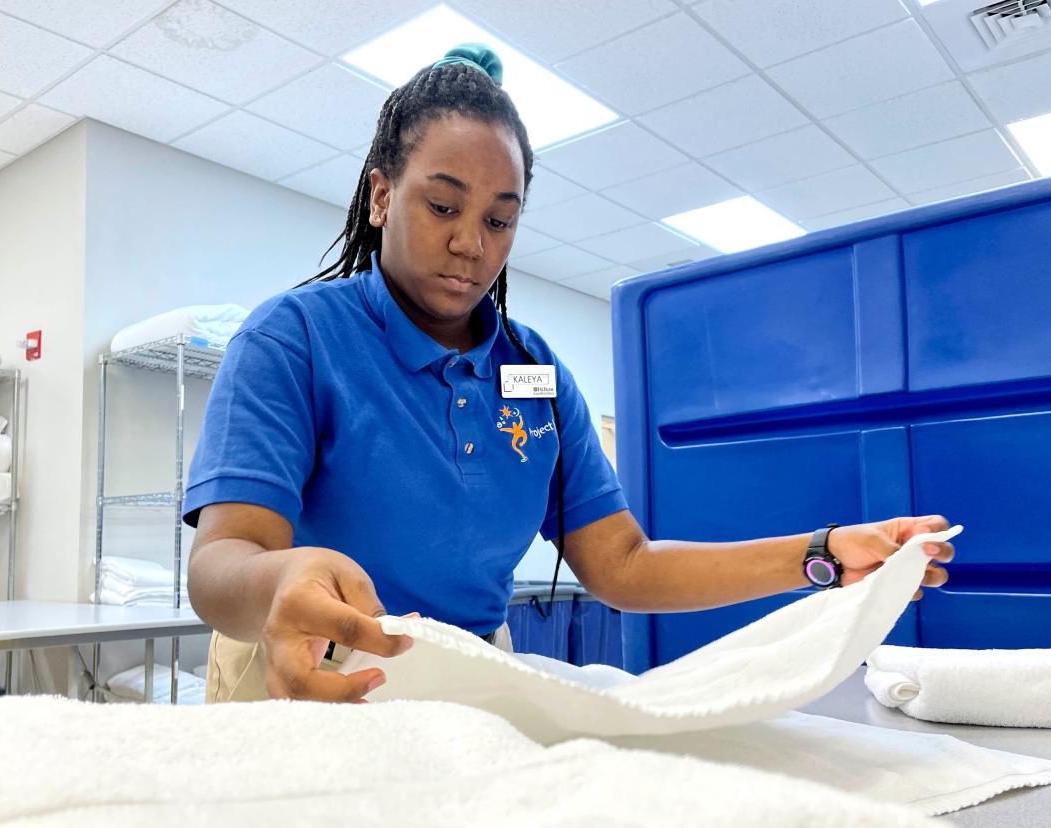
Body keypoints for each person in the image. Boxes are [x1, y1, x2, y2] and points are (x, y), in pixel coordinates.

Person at [182, 45, 954, 704]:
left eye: (498, 220)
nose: (470, 245)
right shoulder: (296, 340)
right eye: (443, 207)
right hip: (304, 666)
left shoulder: (535, 372)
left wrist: (819, 554)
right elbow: (221, 566)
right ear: (382, 195)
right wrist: (280, 582)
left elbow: (624, 565)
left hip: (471, 673)